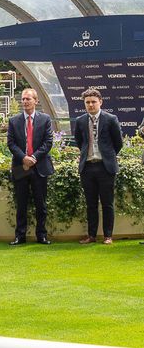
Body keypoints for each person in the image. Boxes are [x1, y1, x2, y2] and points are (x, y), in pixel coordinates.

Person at [74, 88, 123, 245]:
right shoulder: (80, 120)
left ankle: (108, 236)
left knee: (107, 203)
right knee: (91, 204)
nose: (90, 105)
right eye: (87, 102)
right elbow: (79, 141)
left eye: (93, 102)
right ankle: (91, 235)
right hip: (87, 167)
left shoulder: (111, 119)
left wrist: (108, 156)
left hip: (105, 167)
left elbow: (118, 143)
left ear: (100, 102)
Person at [7, 89, 54, 245]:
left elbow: (48, 142)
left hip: (39, 166)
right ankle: (20, 236)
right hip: (21, 167)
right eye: (23, 99)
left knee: (41, 203)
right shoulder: (14, 121)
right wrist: (24, 157)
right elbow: (11, 143)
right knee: (21, 203)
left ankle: (41, 235)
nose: (25, 102)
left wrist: (33, 157)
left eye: (28, 99)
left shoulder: (45, 119)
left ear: (36, 101)